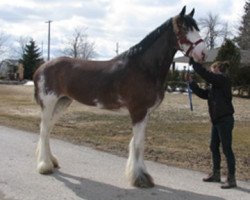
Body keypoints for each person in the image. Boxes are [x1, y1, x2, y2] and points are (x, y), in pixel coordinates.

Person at [187, 59, 237, 189]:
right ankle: (216, 174)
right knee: (213, 147)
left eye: (212, 69)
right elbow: (203, 95)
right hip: (216, 121)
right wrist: (192, 83)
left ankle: (231, 179)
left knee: (227, 149)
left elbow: (207, 76)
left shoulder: (223, 80)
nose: (210, 71)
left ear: (218, 69)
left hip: (225, 120)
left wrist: (195, 64)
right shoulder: (214, 85)